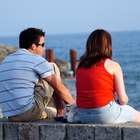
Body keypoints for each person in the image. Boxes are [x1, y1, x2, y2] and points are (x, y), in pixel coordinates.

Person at [0, 27, 75, 122]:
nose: (44, 48)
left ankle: (57, 112)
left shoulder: (6, 61)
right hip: (28, 112)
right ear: (33, 46)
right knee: (52, 66)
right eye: (42, 45)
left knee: (51, 111)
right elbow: (59, 87)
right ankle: (60, 112)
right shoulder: (36, 60)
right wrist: (76, 107)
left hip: (11, 116)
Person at [76, 29, 140, 124]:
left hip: (82, 114)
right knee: (137, 116)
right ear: (107, 46)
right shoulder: (113, 65)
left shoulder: (79, 65)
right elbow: (122, 100)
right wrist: (122, 100)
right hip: (104, 114)